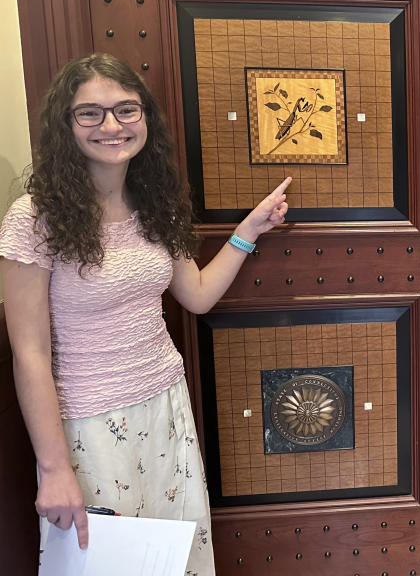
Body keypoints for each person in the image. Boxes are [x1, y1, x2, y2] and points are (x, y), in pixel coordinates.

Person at [0, 52, 291, 575]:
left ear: (144, 120)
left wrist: (250, 230)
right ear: (65, 125)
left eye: (125, 110)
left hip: (165, 408)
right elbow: (30, 353)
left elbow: (197, 295)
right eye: (89, 113)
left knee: (173, 560)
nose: (111, 125)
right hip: (88, 424)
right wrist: (53, 468)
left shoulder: (155, 203)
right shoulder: (33, 218)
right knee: (110, 565)